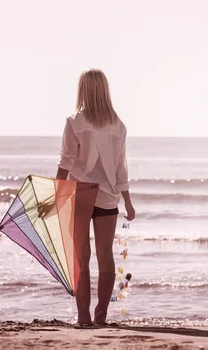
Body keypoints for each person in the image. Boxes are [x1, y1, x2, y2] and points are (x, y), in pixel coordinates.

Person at [56, 68, 136, 326]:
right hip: (108, 196)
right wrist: (127, 200)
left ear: (83, 90)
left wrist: (57, 192)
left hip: (80, 192)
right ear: (104, 90)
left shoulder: (75, 122)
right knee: (105, 256)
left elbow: (66, 161)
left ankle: (83, 317)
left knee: (81, 256)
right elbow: (121, 167)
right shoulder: (118, 125)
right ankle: (100, 316)